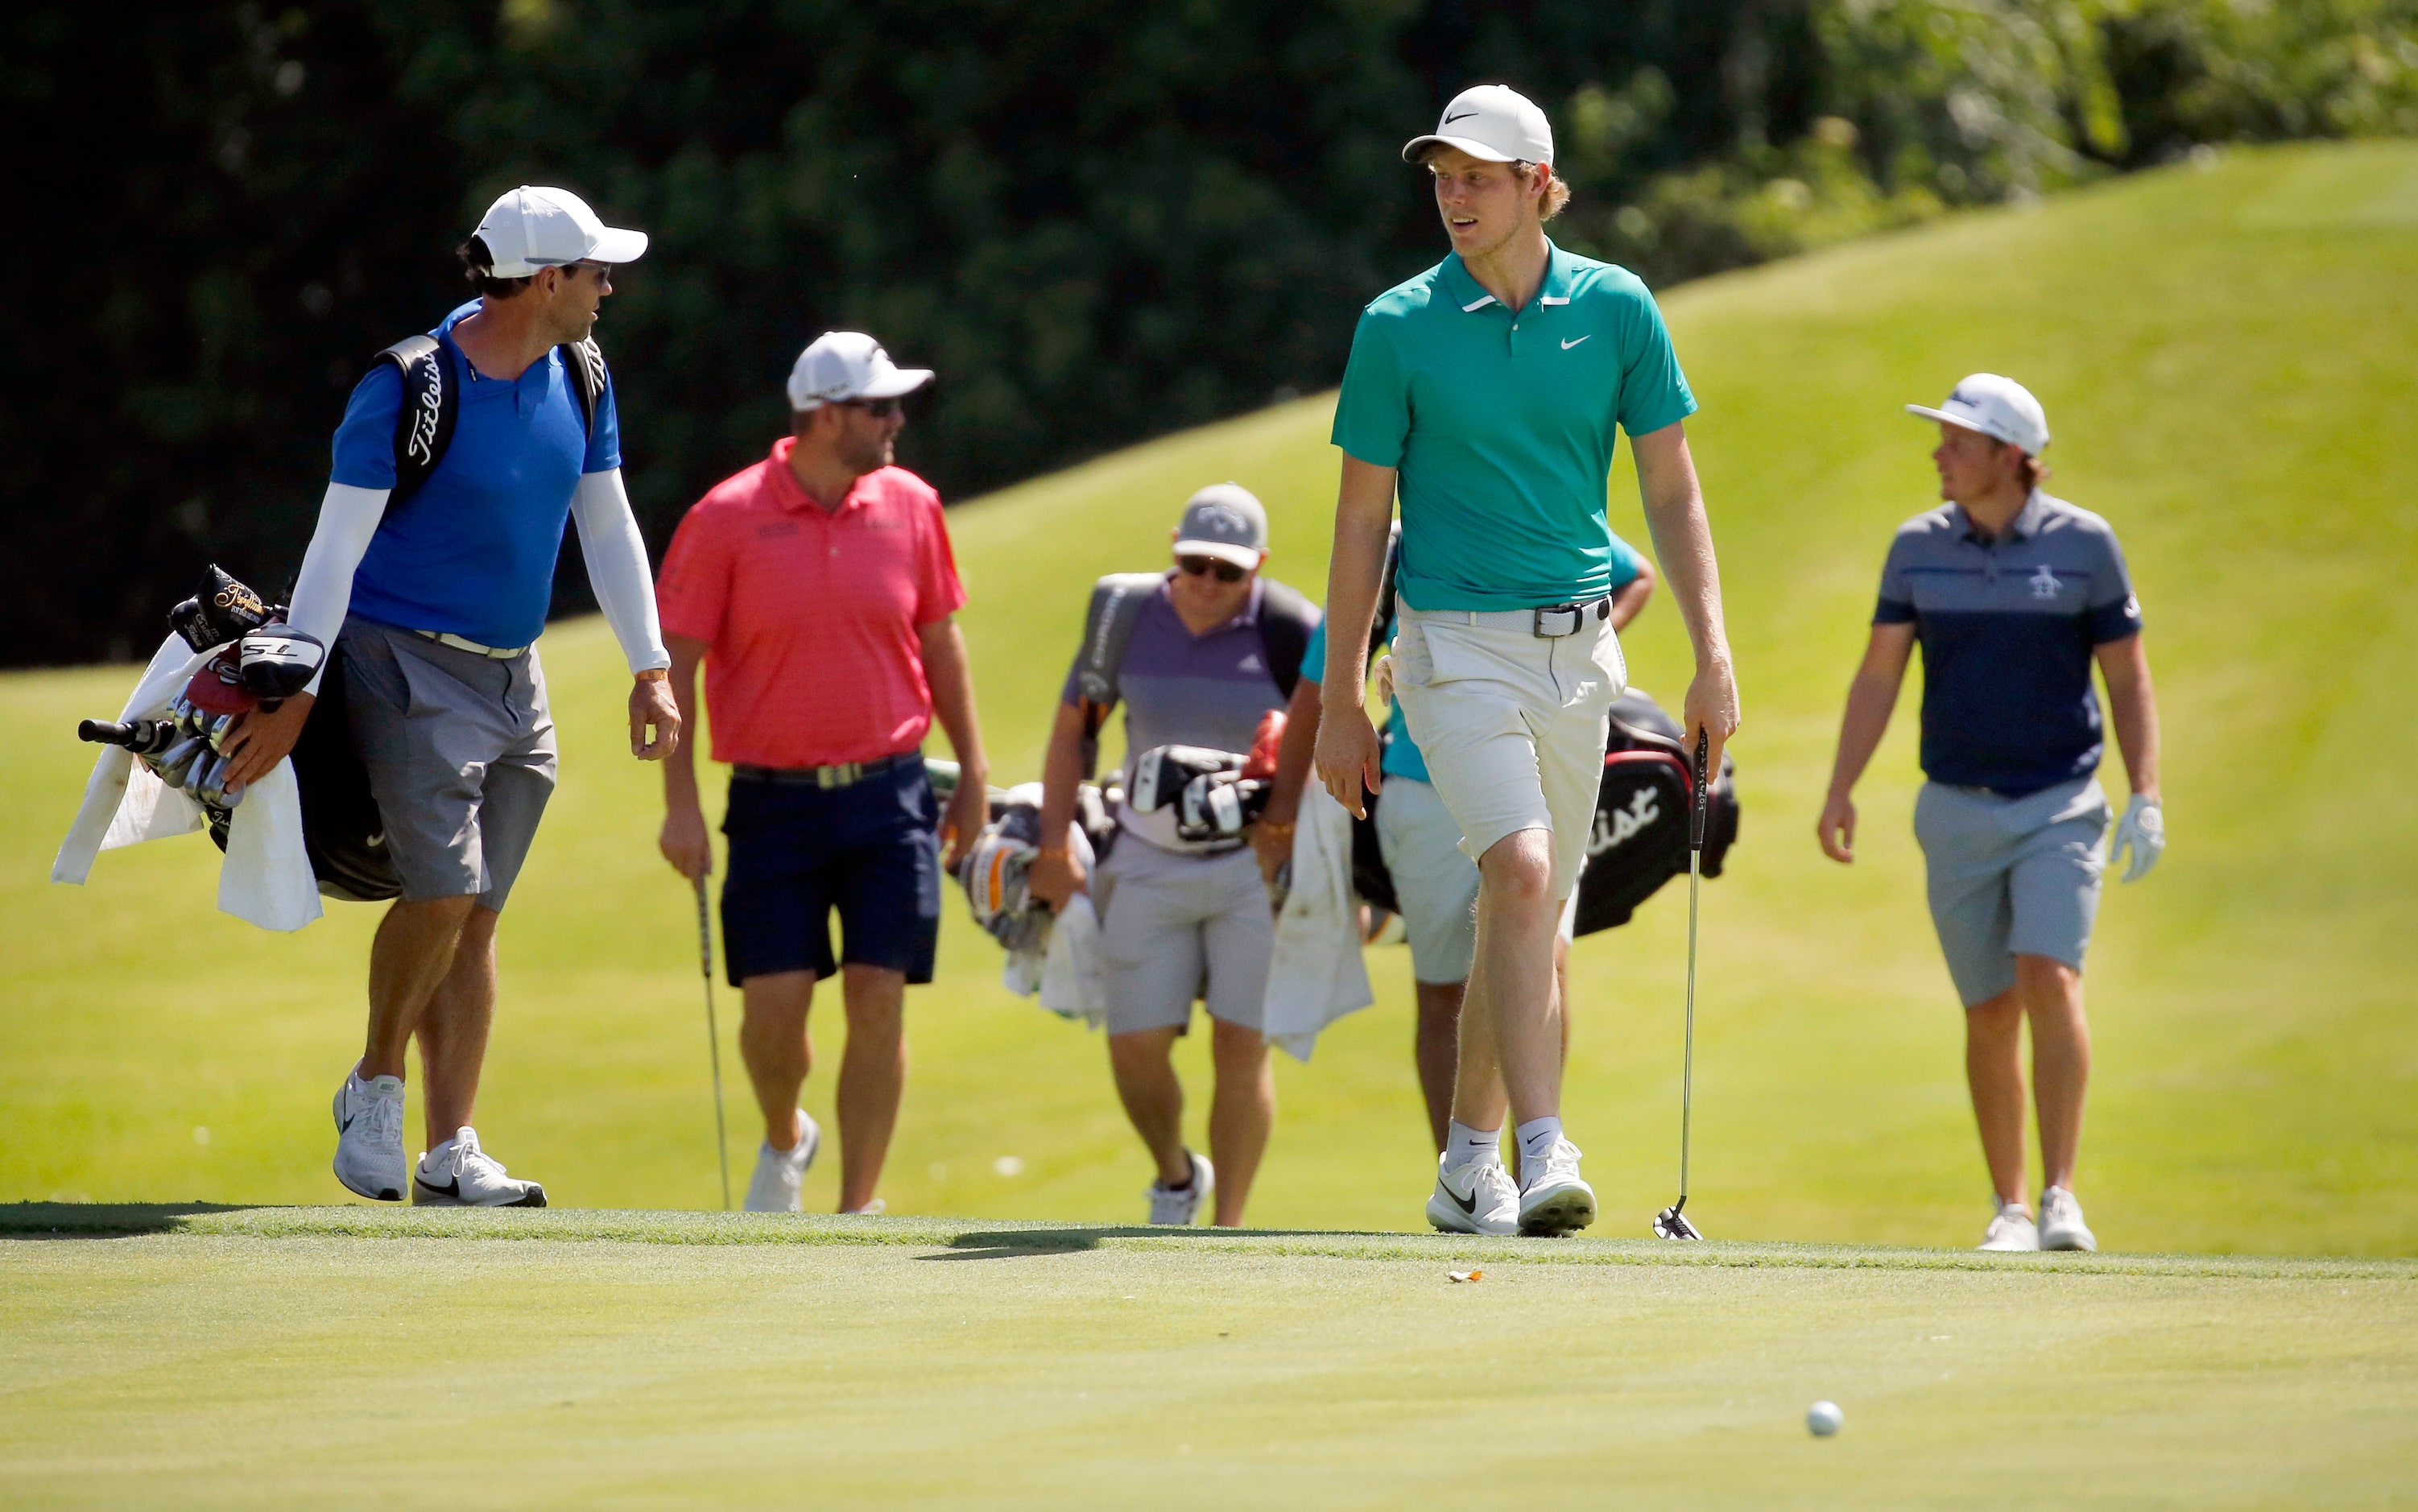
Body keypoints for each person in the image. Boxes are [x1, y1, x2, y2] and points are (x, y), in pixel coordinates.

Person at [1313, 85, 1739, 1238]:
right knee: (1519, 871)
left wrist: (1710, 654)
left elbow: (1668, 485)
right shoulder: (1396, 324)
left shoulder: (1615, 309)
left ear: (1539, 187)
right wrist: (1341, 697)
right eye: (1441, 176)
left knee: (1536, 911)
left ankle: (1464, 1164)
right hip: (1448, 652)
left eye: (1479, 177)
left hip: (1579, 656)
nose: (1453, 197)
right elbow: (1359, 522)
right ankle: (1542, 1145)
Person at [217, 185, 678, 1206]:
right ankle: (375, 1086)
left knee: (477, 917)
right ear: (546, 280)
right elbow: (334, 550)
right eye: (596, 271)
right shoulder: (410, 385)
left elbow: (608, 526)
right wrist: (293, 690)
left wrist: (649, 665)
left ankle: (449, 1150)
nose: (609, 286)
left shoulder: (587, 375)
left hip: (520, 675)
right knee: (444, 891)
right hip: (401, 660)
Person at [1817, 374, 2164, 1254]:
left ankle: (2059, 1197)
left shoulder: (2086, 547)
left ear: (2012, 457)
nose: (1939, 454)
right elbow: (1879, 674)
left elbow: (2127, 676)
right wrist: (1840, 786)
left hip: (2059, 803)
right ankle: (2008, 1207)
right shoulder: (1915, 547)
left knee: (2051, 979)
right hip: (1955, 808)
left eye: (1958, 442)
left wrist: (2147, 792)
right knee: (1989, 1009)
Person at [653, 332, 989, 1216]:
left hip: (892, 795)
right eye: (881, 407)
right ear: (828, 415)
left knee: (879, 996)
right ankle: (784, 1135)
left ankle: (857, 1209)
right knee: (775, 1016)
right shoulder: (725, 518)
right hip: (772, 803)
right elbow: (671, 672)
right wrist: (679, 806)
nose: (898, 420)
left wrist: (978, 773)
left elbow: (940, 642)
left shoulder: (911, 503)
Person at [1262, 535, 1654, 1151]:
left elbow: (1636, 576)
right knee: (1444, 989)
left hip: (1537, 766)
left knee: (1544, 962)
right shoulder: (1386, 552)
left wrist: (1585, 653)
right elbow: (1319, 689)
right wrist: (1281, 817)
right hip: (1422, 793)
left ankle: (1538, 1172)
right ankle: (1465, 1174)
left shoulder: (1527, 508)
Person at [1027, 486, 1317, 1227]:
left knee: (1241, 1044)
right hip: (1145, 858)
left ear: (1259, 567)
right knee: (1135, 1045)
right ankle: (1177, 1174)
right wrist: (1055, 839)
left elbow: (1328, 740)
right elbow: (1074, 733)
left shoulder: (1291, 629)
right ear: (1173, 552)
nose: (1208, 584)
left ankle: (1228, 1231)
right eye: (1194, 564)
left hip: (1250, 866)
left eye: (1229, 571)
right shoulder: (1123, 617)